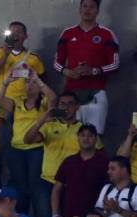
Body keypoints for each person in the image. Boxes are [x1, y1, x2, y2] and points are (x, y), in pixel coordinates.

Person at [53, 0, 119, 133]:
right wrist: (67, 72)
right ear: (79, 9)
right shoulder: (67, 33)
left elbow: (115, 64)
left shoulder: (106, 34)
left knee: (94, 137)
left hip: (96, 94)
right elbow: (56, 63)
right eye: (85, 6)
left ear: (97, 11)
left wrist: (94, 71)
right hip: (71, 94)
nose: (88, 10)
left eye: (92, 7)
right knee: (69, 134)